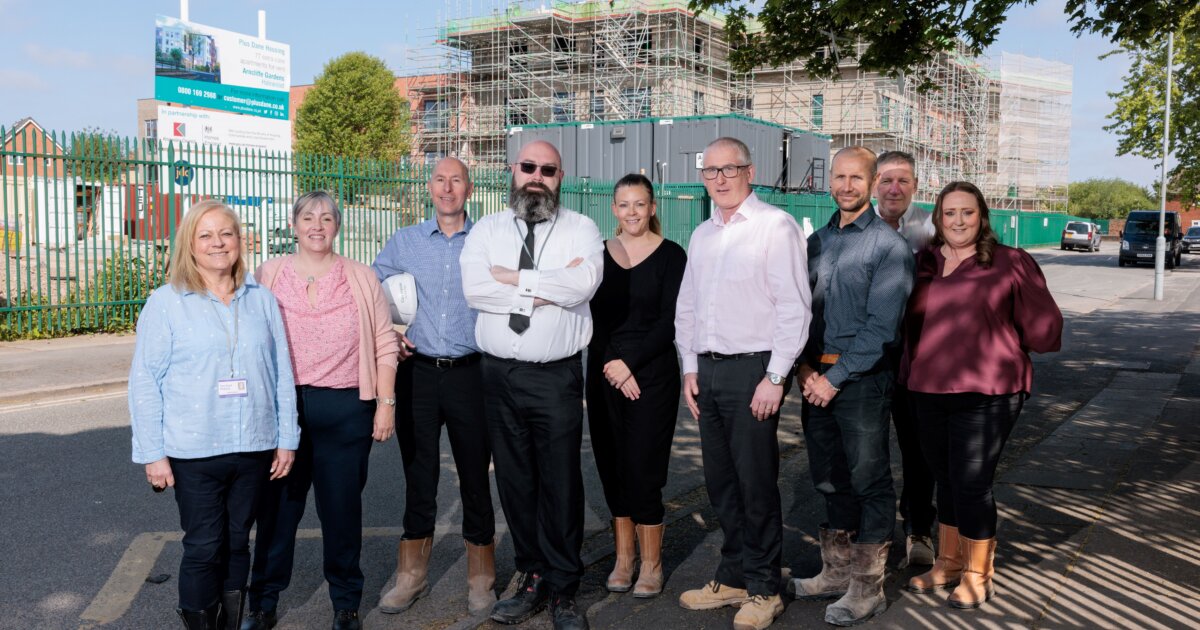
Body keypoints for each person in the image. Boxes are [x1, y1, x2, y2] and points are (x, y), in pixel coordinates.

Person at [129, 199, 299, 630]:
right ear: (190, 244)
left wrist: (286, 438)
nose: (217, 243)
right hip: (193, 449)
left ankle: (231, 623)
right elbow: (145, 381)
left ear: (240, 241)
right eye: (205, 235)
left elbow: (281, 372)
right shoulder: (166, 303)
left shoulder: (262, 299)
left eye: (226, 233)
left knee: (239, 543)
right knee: (205, 546)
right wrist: (153, 453)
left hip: (254, 445)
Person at [460, 140, 603, 630]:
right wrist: (544, 285)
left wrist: (513, 278)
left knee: (561, 483)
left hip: (556, 375)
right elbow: (476, 290)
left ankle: (564, 589)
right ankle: (531, 574)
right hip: (498, 374)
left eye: (548, 169)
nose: (537, 177)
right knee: (516, 481)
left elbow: (581, 286)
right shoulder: (486, 229)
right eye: (528, 167)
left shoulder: (582, 229)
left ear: (560, 177)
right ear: (512, 172)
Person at [901, 181, 1061, 608]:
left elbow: (1044, 329)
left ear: (981, 216)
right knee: (945, 479)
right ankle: (949, 561)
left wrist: (1006, 342)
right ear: (937, 218)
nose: (958, 220)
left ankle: (978, 573)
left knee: (972, 483)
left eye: (967, 212)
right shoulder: (923, 262)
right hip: (928, 388)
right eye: (949, 212)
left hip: (989, 390)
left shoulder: (1010, 262)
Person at [244, 191, 400, 630]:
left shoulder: (361, 277)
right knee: (277, 511)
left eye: (327, 218)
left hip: (347, 406)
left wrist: (385, 405)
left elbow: (385, 343)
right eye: (308, 217)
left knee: (341, 511)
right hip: (284, 410)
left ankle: (346, 605)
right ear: (294, 225)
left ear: (337, 226)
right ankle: (263, 603)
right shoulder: (267, 275)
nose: (317, 225)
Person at [674, 137, 812, 630]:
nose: (720, 178)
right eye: (710, 171)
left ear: (749, 172)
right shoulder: (703, 234)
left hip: (753, 371)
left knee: (755, 484)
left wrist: (776, 376)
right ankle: (733, 575)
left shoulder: (775, 226)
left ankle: (763, 586)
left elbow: (795, 306)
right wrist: (689, 367)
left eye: (729, 168)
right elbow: (687, 305)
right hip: (707, 372)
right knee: (721, 484)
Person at [789, 146, 914, 627]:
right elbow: (801, 312)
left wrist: (834, 380)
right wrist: (803, 371)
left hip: (860, 381)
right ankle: (836, 572)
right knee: (828, 477)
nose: (845, 185)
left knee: (869, 481)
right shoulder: (817, 241)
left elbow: (881, 328)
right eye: (838, 177)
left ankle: (867, 589)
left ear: (872, 181)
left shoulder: (888, 247)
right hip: (814, 377)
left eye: (855, 178)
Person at [371, 157, 498, 616]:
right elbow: (374, 287)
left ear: (469, 187)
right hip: (418, 372)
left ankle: (481, 576)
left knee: (474, 477)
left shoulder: (486, 240)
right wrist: (391, 329)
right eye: (440, 180)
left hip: (471, 372)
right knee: (418, 473)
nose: (448, 188)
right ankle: (412, 576)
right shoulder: (404, 241)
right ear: (430, 187)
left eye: (457, 180)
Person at [586, 174, 687, 598]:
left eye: (639, 204)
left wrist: (629, 364)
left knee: (644, 469)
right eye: (624, 204)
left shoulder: (672, 256)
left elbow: (670, 320)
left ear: (652, 208)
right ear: (613, 209)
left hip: (652, 375)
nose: (632, 212)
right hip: (604, 371)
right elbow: (591, 316)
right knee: (611, 468)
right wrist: (613, 364)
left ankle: (651, 563)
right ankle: (623, 559)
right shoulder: (597, 255)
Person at [873, 150, 937, 568]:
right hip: (871, 357)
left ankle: (918, 529)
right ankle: (870, 536)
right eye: (886, 180)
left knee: (918, 449)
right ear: (874, 184)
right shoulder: (855, 226)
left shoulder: (933, 231)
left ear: (915, 186)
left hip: (918, 356)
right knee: (869, 450)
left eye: (903, 180)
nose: (894, 188)